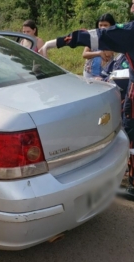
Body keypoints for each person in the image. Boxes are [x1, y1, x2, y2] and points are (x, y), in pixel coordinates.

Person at [39, 9, 134, 193]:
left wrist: (52, 44)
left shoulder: (130, 32)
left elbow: (91, 37)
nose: (131, 8)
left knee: (131, 132)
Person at [82, 14, 116, 80]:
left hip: (105, 74)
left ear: (111, 26)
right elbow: (84, 54)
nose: (102, 27)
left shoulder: (114, 39)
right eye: (100, 25)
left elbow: (109, 55)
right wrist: (99, 53)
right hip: (89, 73)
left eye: (105, 25)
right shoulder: (93, 37)